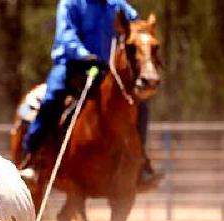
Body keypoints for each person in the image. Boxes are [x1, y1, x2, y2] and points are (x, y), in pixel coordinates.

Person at [22, 0, 160, 187]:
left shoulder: (116, 5)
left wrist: (143, 32)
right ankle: (34, 158)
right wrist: (85, 56)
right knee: (52, 97)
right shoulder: (71, 3)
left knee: (139, 106)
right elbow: (66, 34)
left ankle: (140, 163)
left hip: (108, 70)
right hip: (72, 65)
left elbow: (135, 24)